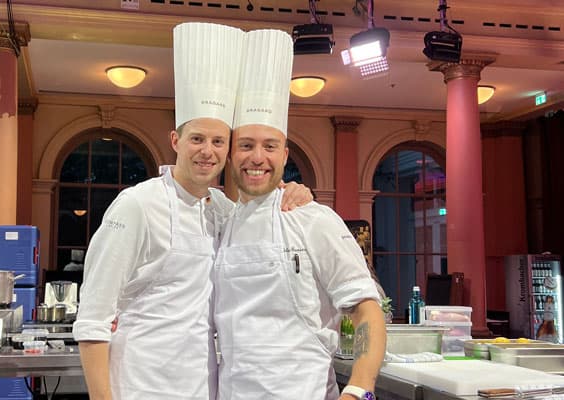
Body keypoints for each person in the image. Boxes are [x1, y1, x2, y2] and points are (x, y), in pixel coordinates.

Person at [73, 22, 312, 400]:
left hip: (205, 386)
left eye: (219, 141)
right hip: (139, 384)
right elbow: (93, 320)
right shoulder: (137, 204)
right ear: (175, 141)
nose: (208, 151)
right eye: (197, 139)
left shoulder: (222, 210)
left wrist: (297, 192)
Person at [213, 29, 387, 400]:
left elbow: (366, 309)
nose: (257, 157)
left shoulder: (313, 218)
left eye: (269, 146)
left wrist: (359, 390)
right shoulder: (221, 222)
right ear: (231, 155)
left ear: (285, 155)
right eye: (246, 145)